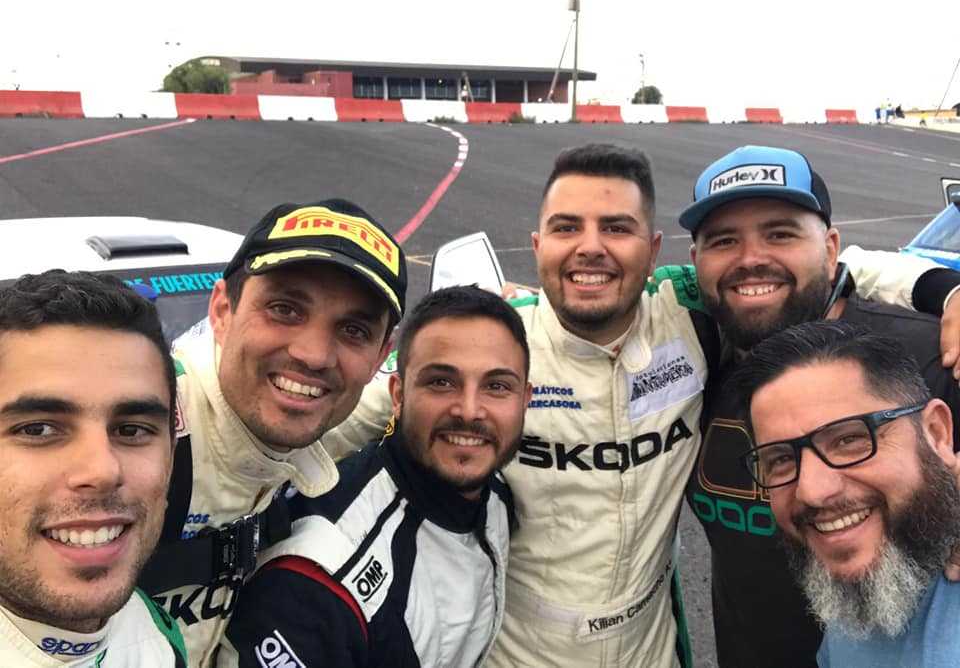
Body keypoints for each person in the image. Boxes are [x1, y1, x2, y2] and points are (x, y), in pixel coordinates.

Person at [326, 144, 960, 668]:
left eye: (617, 228)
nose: (590, 247)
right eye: (567, 228)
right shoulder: (495, 341)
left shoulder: (687, 313)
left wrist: (942, 286)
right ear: (538, 245)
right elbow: (348, 412)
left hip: (652, 647)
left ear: (654, 251)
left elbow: (799, 270)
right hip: (515, 650)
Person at [677, 144, 960, 668]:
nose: (751, 258)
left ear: (831, 250)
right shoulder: (690, 358)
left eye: (781, 234)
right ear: (696, 263)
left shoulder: (931, 356)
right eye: (724, 240)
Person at [140, 199, 407, 666]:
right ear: (222, 311)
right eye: (284, 309)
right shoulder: (141, 435)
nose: (314, 355)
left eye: (353, 330)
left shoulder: (308, 423)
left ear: (379, 357)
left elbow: (402, 400)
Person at [219, 286, 528, 667]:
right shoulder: (317, 580)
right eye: (441, 382)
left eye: (497, 386)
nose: (469, 410)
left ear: (525, 399)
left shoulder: (497, 494)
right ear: (397, 395)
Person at [732, 320, 960, 668]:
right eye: (781, 459)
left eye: (849, 439)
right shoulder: (863, 586)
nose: (812, 491)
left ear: (936, 433)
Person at [0, 271, 185, 667]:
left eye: (131, 430)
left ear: (170, 456)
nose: (103, 470)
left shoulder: (155, 633)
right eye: (38, 429)